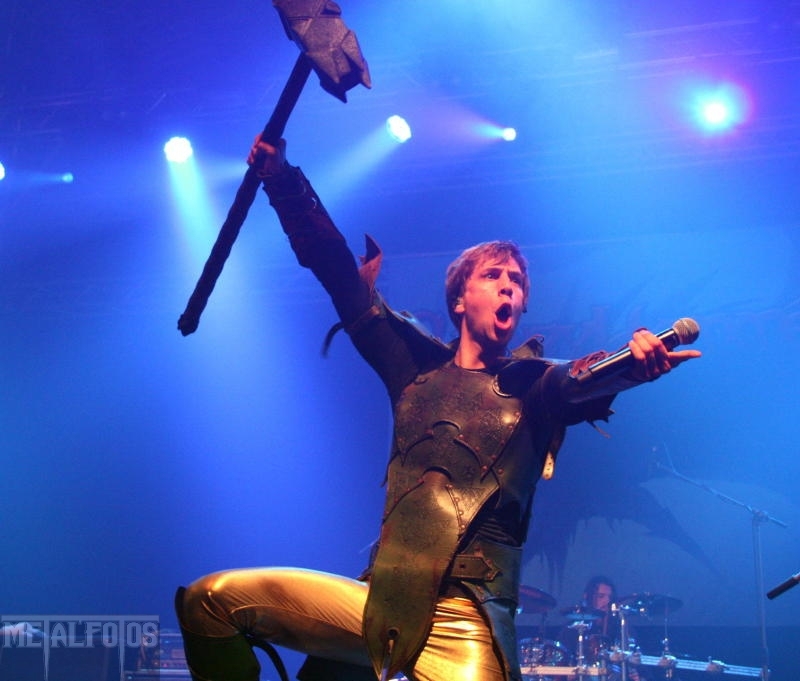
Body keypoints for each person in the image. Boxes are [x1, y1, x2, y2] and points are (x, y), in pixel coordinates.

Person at [173, 137, 701, 681]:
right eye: (493, 276)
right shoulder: (412, 370)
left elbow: (580, 379)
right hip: (381, 599)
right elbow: (339, 275)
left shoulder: (535, 384)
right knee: (210, 601)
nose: (509, 287)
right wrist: (283, 181)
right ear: (459, 299)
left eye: (517, 282)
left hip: (466, 618)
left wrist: (633, 365)